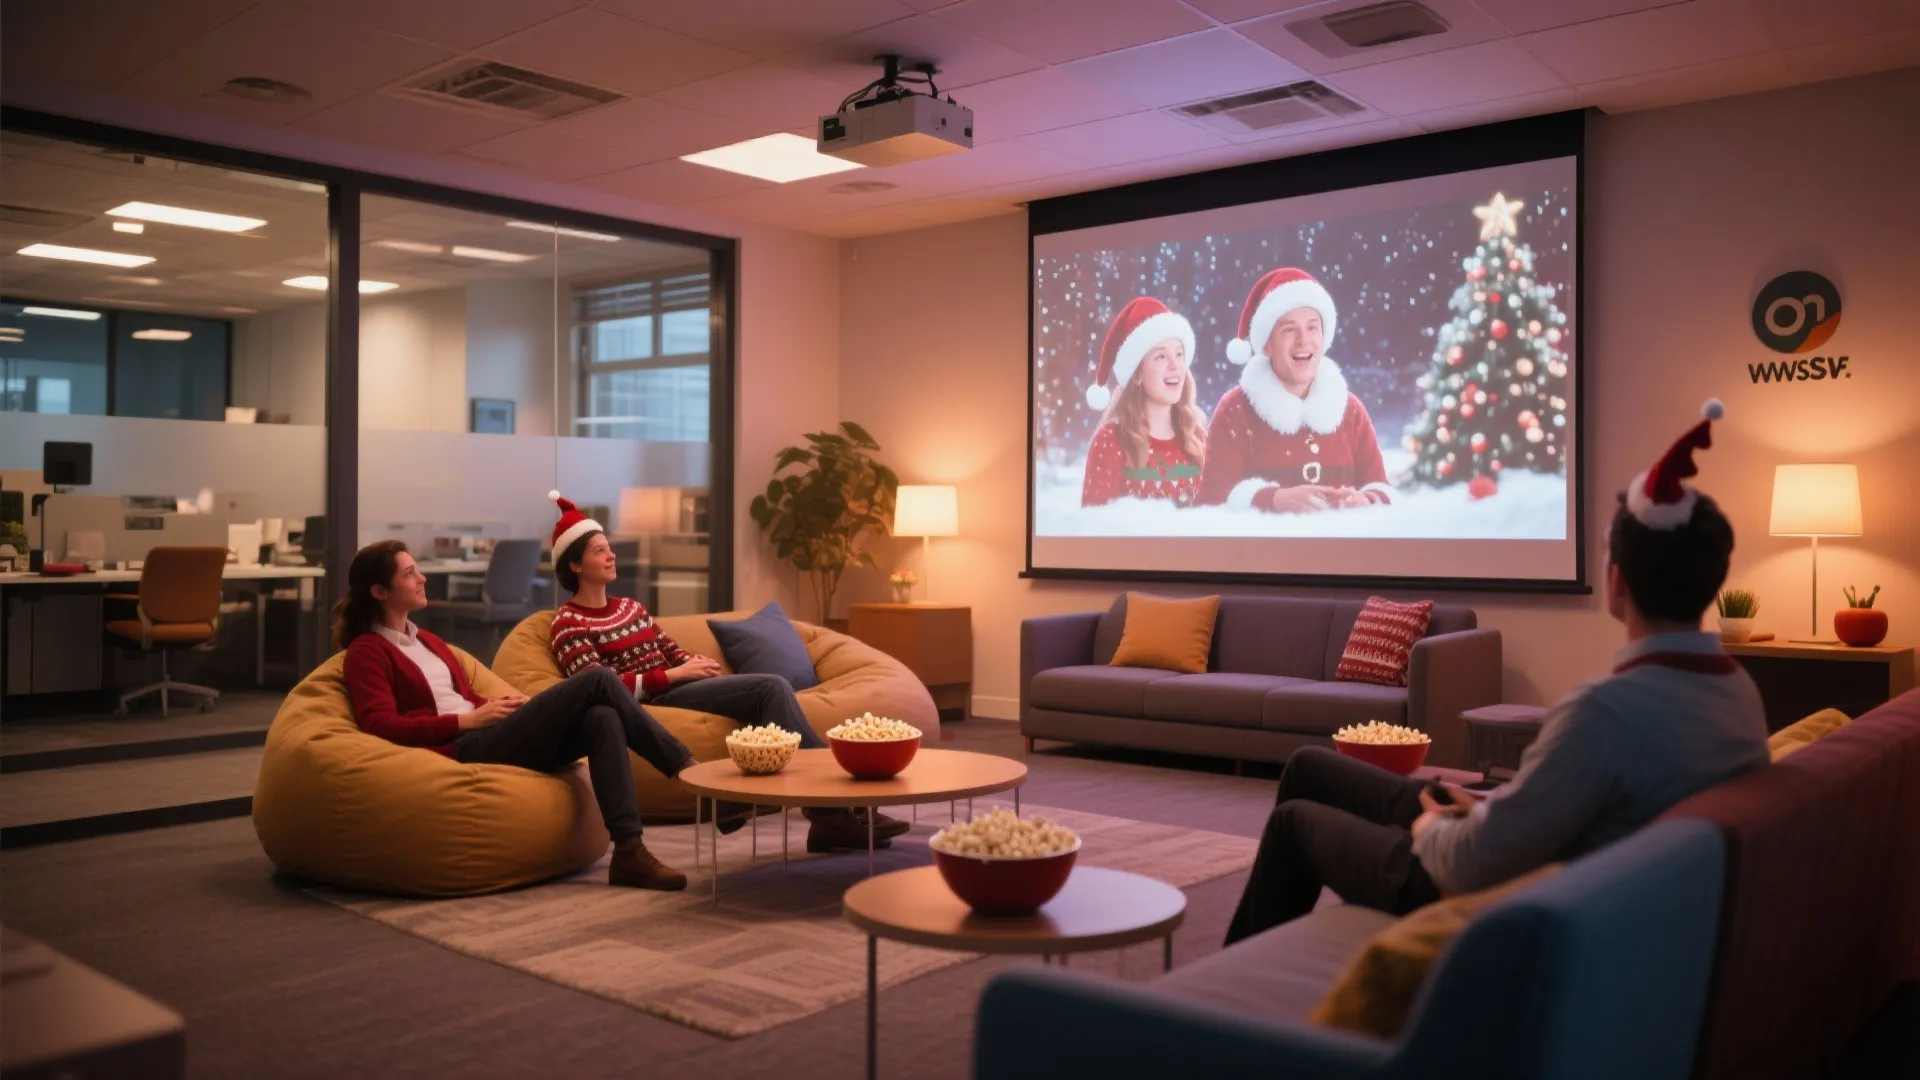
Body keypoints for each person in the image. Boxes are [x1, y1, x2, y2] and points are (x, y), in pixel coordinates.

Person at [1224, 401, 1768, 944]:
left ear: (1617, 582)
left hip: (1468, 888)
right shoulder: (1736, 691)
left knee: (1294, 821)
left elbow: (1468, 862)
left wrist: (1432, 828)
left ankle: (1225, 997)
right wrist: (1488, 807)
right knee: (1309, 767)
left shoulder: (1604, 712)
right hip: (1538, 850)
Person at [543, 491, 910, 854]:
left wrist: (697, 665)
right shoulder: (568, 623)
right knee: (771, 689)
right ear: (575, 565)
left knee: (768, 692)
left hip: (676, 685)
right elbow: (602, 686)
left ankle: (831, 813)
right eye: (599, 551)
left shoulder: (631, 607)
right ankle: (837, 807)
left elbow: (670, 650)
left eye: (609, 547)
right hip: (655, 696)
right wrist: (673, 676)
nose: (611, 555)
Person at [336, 540, 701, 892]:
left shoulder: (426, 640)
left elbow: (461, 697)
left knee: (603, 717)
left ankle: (628, 853)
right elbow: (379, 725)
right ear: (380, 592)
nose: (422, 578)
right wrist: (467, 722)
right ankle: (688, 771)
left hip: (489, 731)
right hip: (462, 745)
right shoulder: (367, 652)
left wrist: (500, 707)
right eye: (409, 573)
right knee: (598, 679)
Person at [1197, 267, 1395, 513]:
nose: (1303, 340)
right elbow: (1210, 505)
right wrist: (1272, 500)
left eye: (1312, 327)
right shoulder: (1235, 411)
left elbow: (1381, 489)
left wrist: (1367, 500)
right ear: (1267, 344)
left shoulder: (1350, 410)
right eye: (1289, 330)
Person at [1079, 296, 1207, 507]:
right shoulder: (1110, 442)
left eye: (1179, 354)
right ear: (1136, 374)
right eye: (1161, 357)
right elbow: (1095, 530)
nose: (1175, 365)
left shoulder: (1198, 439)